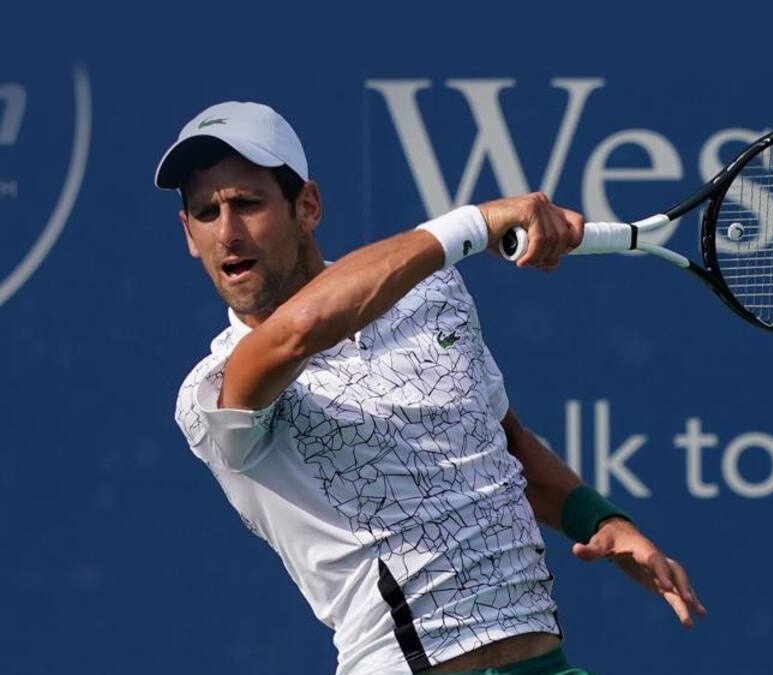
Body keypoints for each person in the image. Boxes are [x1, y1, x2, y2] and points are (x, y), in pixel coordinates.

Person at [158, 101, 704, 675]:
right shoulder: (214, 387)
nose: (228, 233)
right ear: (188, 234)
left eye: (247, 203)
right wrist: (474, 224)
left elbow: (499, 438)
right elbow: (300, 330)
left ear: (307, 207)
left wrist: (600, 521)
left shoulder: (431, 293)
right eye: (205, 213)